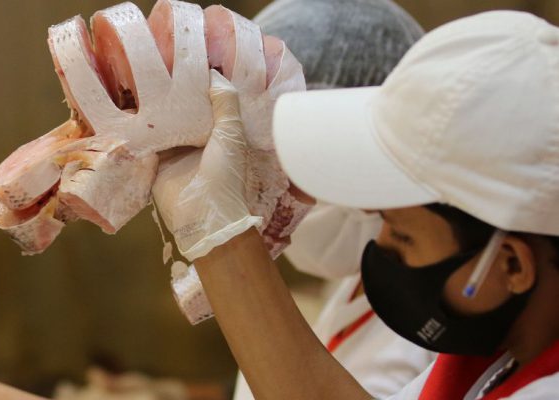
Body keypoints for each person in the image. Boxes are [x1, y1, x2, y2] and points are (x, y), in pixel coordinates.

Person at [155, 10, 558, 399]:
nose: (380, 241)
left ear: (512, 265)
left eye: (404, 235)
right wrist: (215, 231)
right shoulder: (492, 359)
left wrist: (217, 232)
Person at [235, 1, 436, 398]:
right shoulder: (355, 285)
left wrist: (221, 246)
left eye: (301, 157)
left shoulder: (435, 324)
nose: (279, 188)